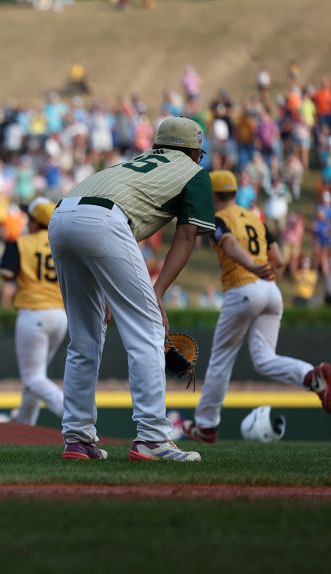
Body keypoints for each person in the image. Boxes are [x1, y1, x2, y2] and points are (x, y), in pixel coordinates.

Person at [48, 117, 214, 462]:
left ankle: (77, 438)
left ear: (158, 146)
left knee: (84, 338)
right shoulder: (194, 172)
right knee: (149, 329)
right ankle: (153, 438)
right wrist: (159, 292)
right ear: (196, 151)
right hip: (105, 221)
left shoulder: (132, 164)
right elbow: (186, 236)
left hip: (62, 216)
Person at [181, 172, 331, 443]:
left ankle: (206, 425)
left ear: (214, 196)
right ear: (234, 193)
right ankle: (312, 376)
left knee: (221, 360)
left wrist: (250, 266)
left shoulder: (219, 218)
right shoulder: (256, 219)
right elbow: (280, 259)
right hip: (271, 292)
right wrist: (262, 269)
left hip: (243, 288)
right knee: (264, 359)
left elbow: (228, 243)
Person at [0, 198, 65, 426]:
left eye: (30, 218)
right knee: (37, 374)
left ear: (36, 221)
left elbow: (6, 274)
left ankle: (73, 415)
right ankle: (25, 422)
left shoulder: (21, 243)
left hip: (33, 313)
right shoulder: (63, 243)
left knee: (33, 376)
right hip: (60, 315)